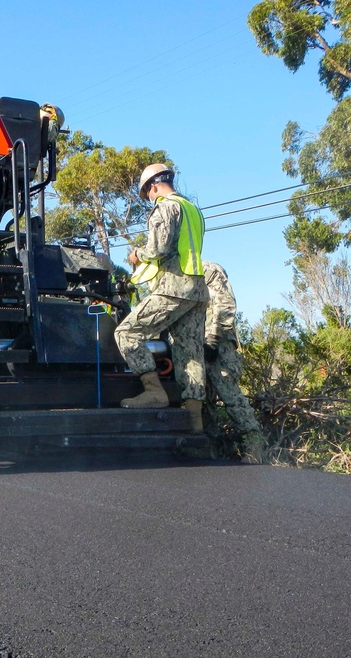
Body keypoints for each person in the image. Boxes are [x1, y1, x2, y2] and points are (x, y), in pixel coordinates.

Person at [114, 164, 208, 431]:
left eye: (147, 194)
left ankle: (154, 392)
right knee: (190, 353)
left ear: (152, 186)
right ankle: (194, 420)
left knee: (127, 333)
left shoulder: (165, 206)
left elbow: (159, 248)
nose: (149, 199)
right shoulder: (193, 208)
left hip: (174, 286)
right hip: (197, 289)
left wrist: (136, 255)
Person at [202, 261, 264, 464]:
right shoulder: (172, 274)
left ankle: (254, 444)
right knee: (202, 398)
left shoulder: (207, 269)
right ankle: (210, 448)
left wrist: (213, 338)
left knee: (227, 390)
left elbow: (225, 303)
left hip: (218, 343)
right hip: (192, 345)